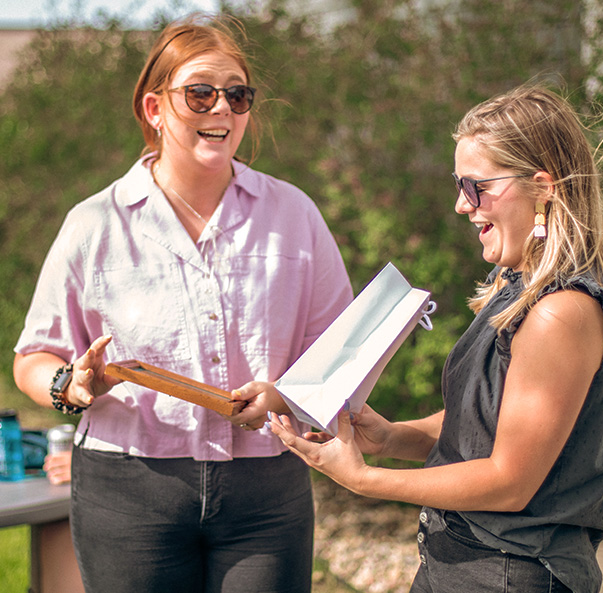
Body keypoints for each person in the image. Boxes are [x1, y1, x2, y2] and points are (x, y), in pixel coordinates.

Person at [13, 15, 352, 593]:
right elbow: (33, 356)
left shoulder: (295, 215)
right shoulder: (94, 223)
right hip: (127, 491)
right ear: (155, 108)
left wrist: (285, 395)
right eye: (200, 93)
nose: (221, 108)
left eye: (237, 95)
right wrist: (71, 385)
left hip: (266, 491)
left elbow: (341, 354)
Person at [268, 84, 603, 593]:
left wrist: (365, 479)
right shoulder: (519, 287)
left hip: (511, 573)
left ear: (544, 187)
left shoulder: (560, 313)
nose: (463, 206)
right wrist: (393, 436)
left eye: (476, 186)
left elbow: (509, 480)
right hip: (462, 562)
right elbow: (490, 422)